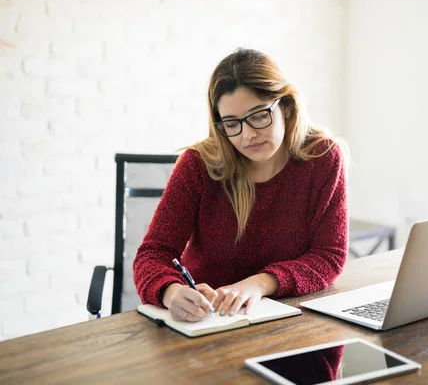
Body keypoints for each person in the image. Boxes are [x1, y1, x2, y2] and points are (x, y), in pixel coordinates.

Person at [133, 47, 349, 322]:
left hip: (292, 321)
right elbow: (153, 255)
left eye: (259, 116)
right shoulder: (198, 166)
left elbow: (329, 256)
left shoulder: (322, 158)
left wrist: (258, 284)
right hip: (208, 322)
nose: (248, 135)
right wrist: (171, 292)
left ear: (286, 106)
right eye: (232, 123)